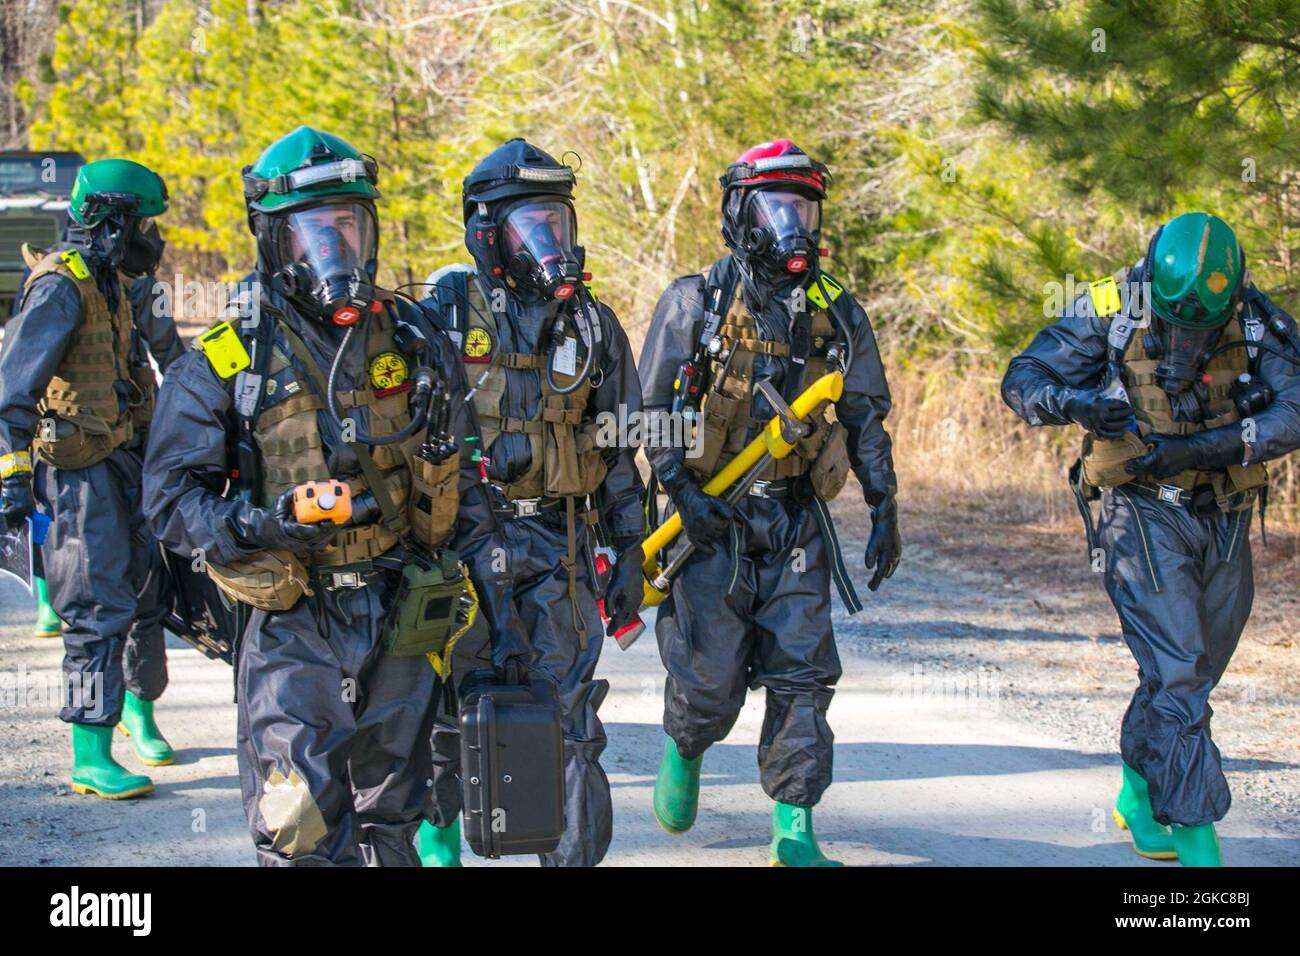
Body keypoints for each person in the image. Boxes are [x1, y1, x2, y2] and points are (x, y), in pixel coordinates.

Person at [143, 127, 525, 866]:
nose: (336, 250)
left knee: (392, 810)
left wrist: (493, 616)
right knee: (299, 828)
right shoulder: (232, 356)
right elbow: (168, 502)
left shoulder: (412, 338)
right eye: (315, 232)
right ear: (275, 242)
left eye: (349, 226)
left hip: (400, 609)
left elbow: (465, 484)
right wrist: (263, 523)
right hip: (292, 618)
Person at [1002, 212, 1300, 866]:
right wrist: (1077, 406)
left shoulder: (1255, 317)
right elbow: (1022, 381)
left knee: (1194, 670)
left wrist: (1204, 445)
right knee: (1180, 672)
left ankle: (1138, 792)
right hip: (1139, 510)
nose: (1191, 337)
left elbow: (1294, 409)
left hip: (1224, 513)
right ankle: (1202, 854)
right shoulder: (1111, 305)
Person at [638, 139, 901, 866]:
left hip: (794, 519)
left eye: (805, 209)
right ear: (740, 214)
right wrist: (680, 489)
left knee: (803, 671)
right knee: (711, 678)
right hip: (710, 519)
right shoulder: (696, 300)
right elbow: (650, 407)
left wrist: (885, 507)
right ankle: (686, 744)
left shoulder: (835, 310)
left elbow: (867, 415)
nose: (795, 226)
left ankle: (794, 827)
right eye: (778, 207)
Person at [417, 138, 646, 867]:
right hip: (463, 546)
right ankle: (438, 838)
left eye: (558, 223)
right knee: (452, 706)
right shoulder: (443, 316)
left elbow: (618, 447)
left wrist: (630, 551)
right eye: (530, 226)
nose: (550, 244)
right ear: (488, 234)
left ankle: (571, 859)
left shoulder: (592, 324)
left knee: (570, 716)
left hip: (563, 541)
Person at [0, 158, 178, 798]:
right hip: (79, 481)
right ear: (110, 221)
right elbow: (11, 392)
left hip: (124, 464)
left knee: (143, 597)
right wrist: (12, 476)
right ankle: (89, 753)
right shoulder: (60, 287)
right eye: (142, 224)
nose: (151, 239)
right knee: (94, 614)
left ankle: (136, 713)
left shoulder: (112, 281)